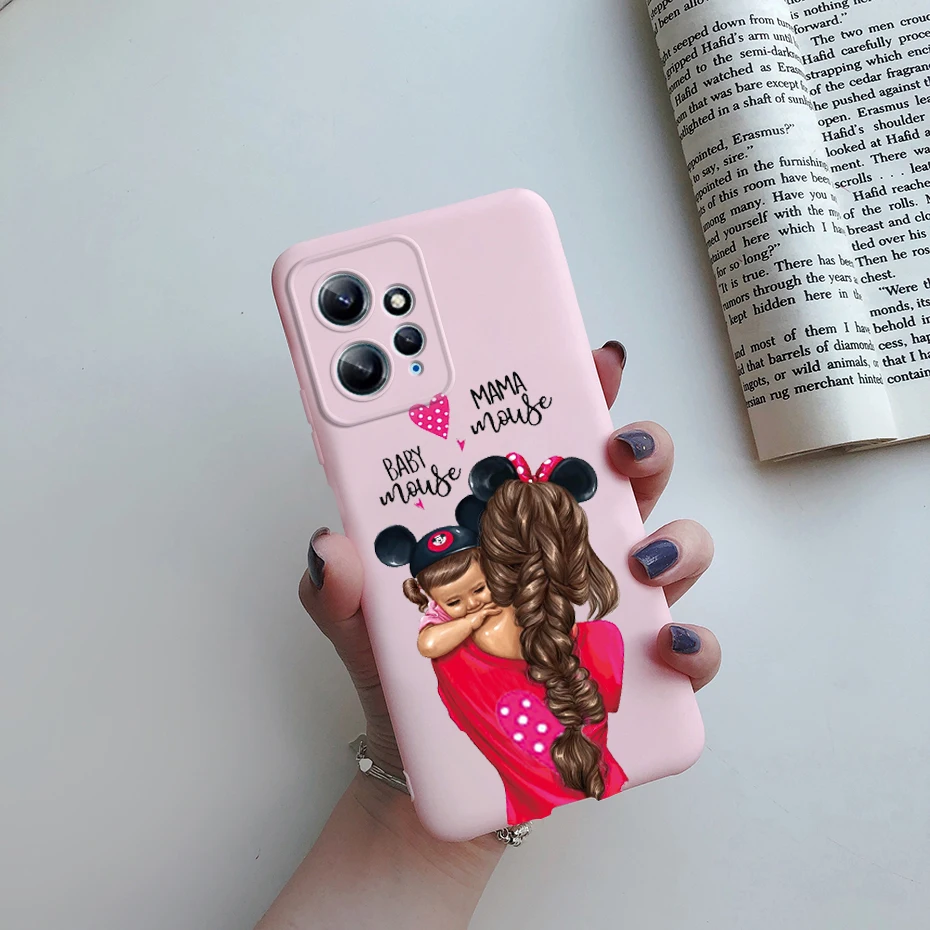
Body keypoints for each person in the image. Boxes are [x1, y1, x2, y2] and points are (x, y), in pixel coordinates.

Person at [255, 342, 720, 930]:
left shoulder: (595, 643)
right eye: (455, 599)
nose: (471, 603)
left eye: (480, 588)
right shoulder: (457, 659)